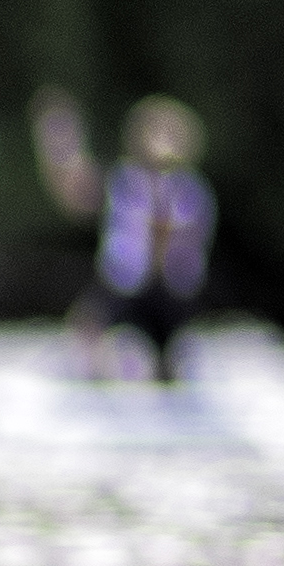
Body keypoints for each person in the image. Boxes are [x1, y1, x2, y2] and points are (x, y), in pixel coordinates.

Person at [36, 89, 217, 382]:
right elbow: (79, 198)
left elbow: (174, 234)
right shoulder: (127, 179)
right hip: (131, 283)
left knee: (160, 359)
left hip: (162, 288)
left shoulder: (187, 189)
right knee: (91, 337)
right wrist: (62, 152)